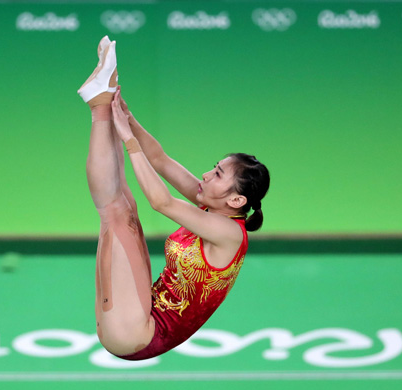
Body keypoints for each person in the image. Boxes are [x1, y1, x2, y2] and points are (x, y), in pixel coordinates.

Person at [78, 37, 270, 361]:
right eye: (215, 167)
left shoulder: (229, 234)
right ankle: (103, 102)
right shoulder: (211, 204)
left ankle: (99, 106)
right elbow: (161, 160)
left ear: (237, 201)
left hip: (137, 334)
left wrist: (127, 138)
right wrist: (127, 116)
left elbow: (162, 201)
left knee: (117, 212)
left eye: (219, 175)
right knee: (121, 207)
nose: (207, 176)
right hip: (137, 313)